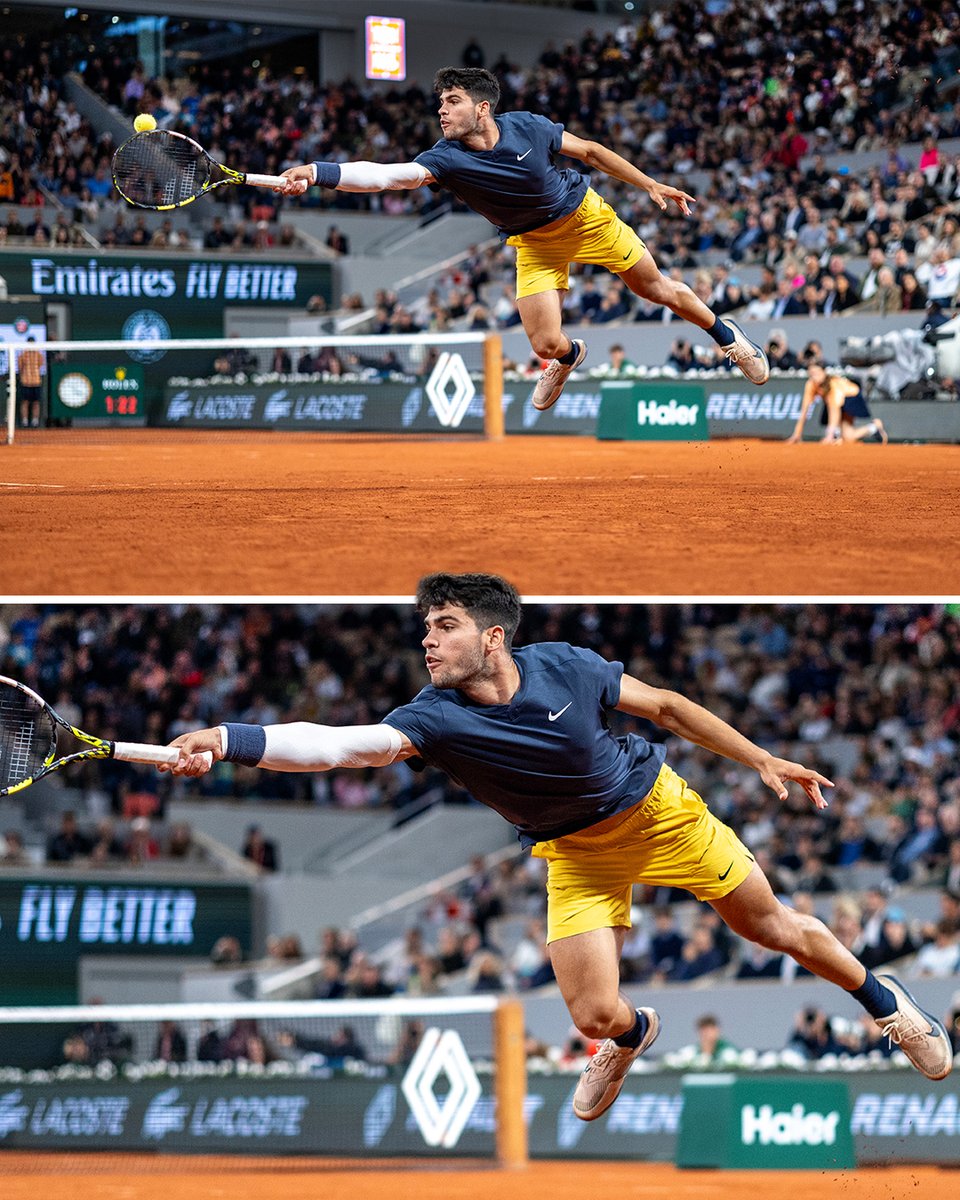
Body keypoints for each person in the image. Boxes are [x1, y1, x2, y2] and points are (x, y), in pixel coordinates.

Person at [169, 573, 953, 1120]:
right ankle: (633, 1037)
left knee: (771, 929)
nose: (428, 642)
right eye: (425, 628)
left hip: (658, 814)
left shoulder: (568, 668)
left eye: (445, 626)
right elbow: (342, 748)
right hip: (574, 854)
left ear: (494, 636)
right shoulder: (432, 715)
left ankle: (888, 1006)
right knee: (594, 1011)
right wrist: (230, 740)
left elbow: (671, 709)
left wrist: (762, 759)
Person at [279, 68, 769, 413]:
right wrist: (318, 173)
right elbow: (388, 177)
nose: (441, 111)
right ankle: (569, 358)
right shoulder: (444, 157)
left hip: (585, 217)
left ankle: (729, 339)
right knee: (545, 342)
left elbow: (593, 152)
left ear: (482, 106)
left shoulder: (528, 127)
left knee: (655, 289)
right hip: (534, 244)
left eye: (452, 101)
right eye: (440, 103)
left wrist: (650, 184)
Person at [787, 362, 888, 445]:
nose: (814, 377)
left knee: (839, 431)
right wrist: (797, 434)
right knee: (848, 438)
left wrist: (829, 437)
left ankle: (836, 436)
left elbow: (834, 410)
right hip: (838, 403)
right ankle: (874, 428)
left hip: (851, 397)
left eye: (816, 373)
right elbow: (804, 410)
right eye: (811, 374)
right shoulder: (810, 384)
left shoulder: (833, 385)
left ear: (824, 372)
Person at [16, 337, 44, 428]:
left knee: (36, 402)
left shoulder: (39, 355)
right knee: (25, 402)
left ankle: (35, 421)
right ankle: (25, 421)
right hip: (25, 382)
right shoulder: (23, 355)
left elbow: (40, 365)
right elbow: (20, 367)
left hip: (36, 382)